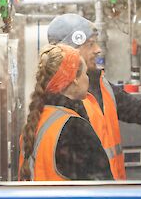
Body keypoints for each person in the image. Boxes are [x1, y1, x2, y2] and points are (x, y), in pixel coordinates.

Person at [47, 14, 141, 180]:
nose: (98, 49)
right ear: (71, 51)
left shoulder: (102, 86)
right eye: (91, 44)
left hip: (113, 192)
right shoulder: (61, 100)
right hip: (89, 198)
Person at [18, 44, 113, 181]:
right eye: (85, 73)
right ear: (74, 79)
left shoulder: (38, 119)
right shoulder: (74, 128)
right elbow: (102, 189)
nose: (87, 78)